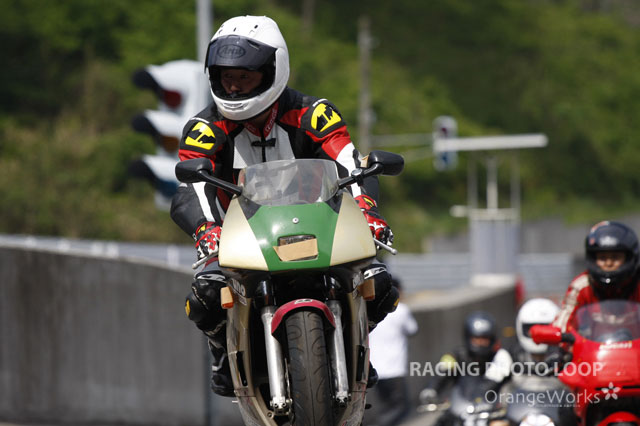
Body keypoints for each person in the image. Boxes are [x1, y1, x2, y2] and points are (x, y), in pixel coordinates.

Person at [170, 15, 398, 397]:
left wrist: (369, 214)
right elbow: (190, 187)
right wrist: (207, 231)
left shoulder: (315, 114)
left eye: (245, 77)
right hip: (236, 240)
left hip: (319, 229)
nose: (234, 85)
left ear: (273, 71)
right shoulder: (203, 128)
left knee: (381, 285)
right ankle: (222, 351)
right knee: (205, 296)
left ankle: (358, 340)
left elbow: (349, 162)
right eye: (227, 76)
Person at [547, 221, 640, 368]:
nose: (608, 263)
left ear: (629, 257)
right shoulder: (581, 286)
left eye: (615, 257)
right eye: (602, 258)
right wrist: (556, 350)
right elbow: (563, 322)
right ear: (593, 259)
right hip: (593, 363)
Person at [418, 311, 512, 406]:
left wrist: (478, 400)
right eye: (476, 339)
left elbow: (493, 384)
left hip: (491, 407)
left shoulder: (501, 356)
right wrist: (431, 389)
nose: (480, 343)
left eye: (484, 339)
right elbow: (442, 372)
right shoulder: (457, 356)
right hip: (461, 407)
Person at [366, 278, 418, 426]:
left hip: (375, 370)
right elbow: (413, 329)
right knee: (401, 408)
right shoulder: (401, 310)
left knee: (387, 407)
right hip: (394, 370)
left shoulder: (371, 310)